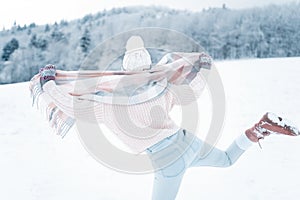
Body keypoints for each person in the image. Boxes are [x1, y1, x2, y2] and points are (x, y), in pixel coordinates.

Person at [36, 36, 299, 200]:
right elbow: (193, 90)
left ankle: (260, 129)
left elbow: (68, 106)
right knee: (228, 159)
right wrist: (205, 68)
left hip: (167, 160)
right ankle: (258, 128)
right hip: (188, 142)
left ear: (123, 72)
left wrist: (48, 82)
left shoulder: (108, 104)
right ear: (149, 68)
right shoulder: (161, 88)